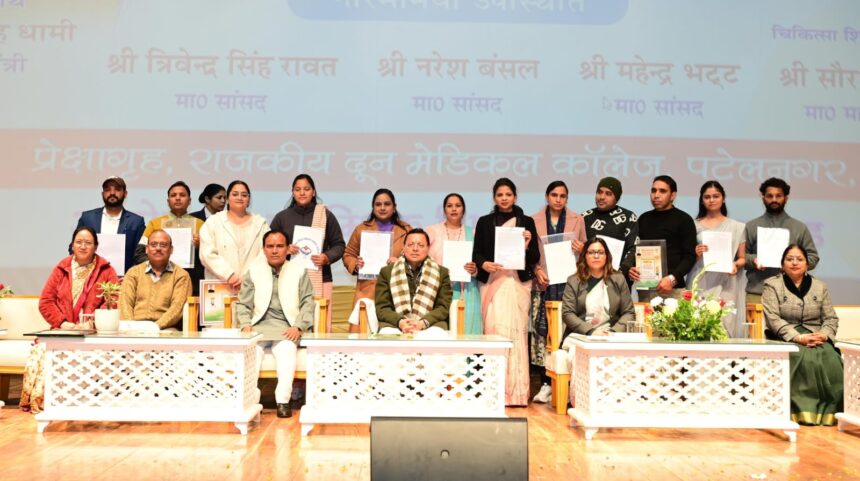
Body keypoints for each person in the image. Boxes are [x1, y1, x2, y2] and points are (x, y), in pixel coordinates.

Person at [22, 227, 119, 413]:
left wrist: (91, 322)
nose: (83, 246)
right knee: (40, 353)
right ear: (72, 245)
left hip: (92, 333)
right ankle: (49, 401)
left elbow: (112, 302)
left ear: (96, 246)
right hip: (62, 330)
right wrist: (63, 323)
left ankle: (83, 401)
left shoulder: (106, 270)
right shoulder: (62, 268)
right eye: (79, 242)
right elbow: (46, 302)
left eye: (88, 243)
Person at [472, 178, 540, 406]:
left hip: (516, 283)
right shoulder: (484, 222)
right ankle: (493, 390)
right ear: (494, 197)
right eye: (500, 194)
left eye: (508, 194)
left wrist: (527, 245)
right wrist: (484, 264)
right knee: (494, 331)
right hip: (493, 283)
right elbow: (477, 253)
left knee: (516, 335)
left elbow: (534, 258)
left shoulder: (526, 222)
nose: (504, 198)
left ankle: (517, 393)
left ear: (515, 197)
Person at [236, 230, 315, 418]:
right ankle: (249, 402)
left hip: (287, 328)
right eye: (270, 246)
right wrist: (245, 324)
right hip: (258, 328)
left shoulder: (298, 271)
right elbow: (243, 304)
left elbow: (308, 302)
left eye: (279, 246)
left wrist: (298, 326)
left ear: (288, 249)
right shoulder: (254, 271)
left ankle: (283, 402)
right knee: (252, 353)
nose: (274, 250)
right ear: (263, 249)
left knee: (287, 350)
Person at [762, 244, 842, 426]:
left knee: (830, 358)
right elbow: (773, 319)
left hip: (816, 335)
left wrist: (823, 335)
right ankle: (801, 411)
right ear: (782, 264)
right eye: (789, 259)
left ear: (807, 264)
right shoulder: (772, 285)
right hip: (786, 336)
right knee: (804, 358)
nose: (794, 263)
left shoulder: (820, 286)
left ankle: (831, 411)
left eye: (799, 259)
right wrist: (797, 337)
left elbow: (830, 318)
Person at [529, 181, 586, 403]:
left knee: (567, 334)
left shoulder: (577, 219)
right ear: (547, 196)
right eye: (554, 195)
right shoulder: (533, 220)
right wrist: (537, 270)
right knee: (544, 337)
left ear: (567, 198)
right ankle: (546, 383)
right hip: (544, 285)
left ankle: (568, 385)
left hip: (570, 286)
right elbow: (531, 254)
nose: (558, 199)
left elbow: (587, 253)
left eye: (562, 196)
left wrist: (582, 249)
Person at [269, 174, 345, 331]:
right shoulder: (282, 217)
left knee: (320, 326)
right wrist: (285, 250)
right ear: (292, 192)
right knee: (290, 323)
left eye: (306, 189)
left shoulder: (325, 215)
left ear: (314, 192)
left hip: (321, 278)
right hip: (288, 278)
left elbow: (339, 245)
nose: (302, 193)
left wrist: (326, 257)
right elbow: (269, 245)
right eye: (298, 189)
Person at [343, 188, 412, 332]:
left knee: (393, 337)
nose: (382, 208)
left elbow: (416, 257)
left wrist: (399, 263)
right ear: (373, 207)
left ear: (394, 207)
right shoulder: (361, 229)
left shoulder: (406, 230)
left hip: (397, 291)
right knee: (362, 337)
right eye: (378, 204)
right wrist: (356, 264)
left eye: (387, 204)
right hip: (367, 290)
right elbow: (348, 254)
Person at [685, 181, 747, 337]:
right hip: (700, 280)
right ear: (702, 200)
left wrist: (735, 264)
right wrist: (696, 253)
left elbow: (742, 259)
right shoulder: (692, 225)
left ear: (723, 198)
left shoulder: (737, 227)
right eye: (707, 197)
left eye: (716, 196)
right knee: (697, 324)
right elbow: (686, 258)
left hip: (726, 281)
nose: (711, 200)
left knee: (725, 325)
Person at [744, 177, 819, 304]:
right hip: (758, 292)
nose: (774, 199)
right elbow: (740, 257)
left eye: (778, 196)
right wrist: (754, 260)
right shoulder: (751, 226)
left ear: (786, 198)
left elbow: (813, 257)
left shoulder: (799, 227)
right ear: (763, 198)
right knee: (755, 319)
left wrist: (794, 264)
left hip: (792, 293)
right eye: (770, 196)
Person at [630, 175, 697, 302]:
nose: (656, 195)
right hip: (646, 289)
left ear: (673, 195)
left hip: (673, 289)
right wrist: (632, 268)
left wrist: (672, 279)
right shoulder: (644, 219)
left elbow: (689, 256)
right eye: (653, 190)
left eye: (662, 191)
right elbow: (636, 249)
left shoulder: (684, 219)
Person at [375, 229, 453, 334]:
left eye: (421, 245)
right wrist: (400, 322)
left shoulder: (441, 272)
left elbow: (443, 307)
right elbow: (382, 308)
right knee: (388, 335)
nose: (415, 249)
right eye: (410, 245)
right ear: (403, 247)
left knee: (436, 335)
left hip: (431, 323)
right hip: (394, 324)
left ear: (428, 248)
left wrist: (422, 323)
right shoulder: (387, 272)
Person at [134, 181, 205, 296]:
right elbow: (139, 253)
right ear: (168, 201)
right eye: (173, 195)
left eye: (182, 195)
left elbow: (210, 256)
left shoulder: (200, 224)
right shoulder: (154, 223)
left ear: (189, 200)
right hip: (159, 281)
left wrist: (200, 246)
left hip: (192, 282)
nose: (178, 198)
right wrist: (157, 266)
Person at [425, 193, 481, 335]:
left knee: (466, 335)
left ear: (463, 210)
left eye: (458, 205)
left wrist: (474, 269)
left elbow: (480, 262)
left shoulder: (473, 233)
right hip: (438, 291)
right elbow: (422, 258)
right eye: (449, 206)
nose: (454, 209)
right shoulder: (432, 231)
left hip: (466, 291)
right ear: (444, 210)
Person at [200, 180, 270, 292]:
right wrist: (229, 275)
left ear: (248, 200)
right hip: (220, 287)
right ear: (227, 199)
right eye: (235, 194)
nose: (240, 198)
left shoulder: (260, 223)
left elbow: (266, 252)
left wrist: (248, 277)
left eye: (244, 195)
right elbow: (207, 254)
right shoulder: (213, 222)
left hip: (252, 286)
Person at [561, 237, 635, 341]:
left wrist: (613, 332)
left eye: (600, 252)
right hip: (582, 335)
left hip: (611, 336)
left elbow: (629, 313)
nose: (596, 256)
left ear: (606, 256)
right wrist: (591, 332)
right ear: (585, 256)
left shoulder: (618, 279)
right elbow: (567, 313)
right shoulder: (574, 281)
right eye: (591, 252)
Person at [120, 230, 192, 330]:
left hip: (166, 329)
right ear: (146, 249)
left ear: (171, 250)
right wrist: (130, 326)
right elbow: (124, 303)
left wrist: (155, 326)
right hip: (134, 327)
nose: (158, 248)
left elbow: (177, 308)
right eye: (153, 245)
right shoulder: (133, 272)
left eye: (163, 245)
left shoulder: (181, 275)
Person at [74, 176, 145, 274]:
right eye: (107, 190)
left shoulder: (136, 221)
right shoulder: (87, 218)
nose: (112, 193)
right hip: (90, 276)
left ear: (125, 194)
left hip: (124, 279)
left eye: (117, 189)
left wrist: (130, 276)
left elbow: (141, 254)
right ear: (102, 194)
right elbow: (73, 247)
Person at [581, 176, 638, 282]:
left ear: (617, 198)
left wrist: (620, 274)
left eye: (608, 194)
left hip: (617, 280)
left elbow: (634, 248)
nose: (602, 197)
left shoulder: (628, 217)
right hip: (588, 279)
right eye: (599, 192)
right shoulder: (584, 217)